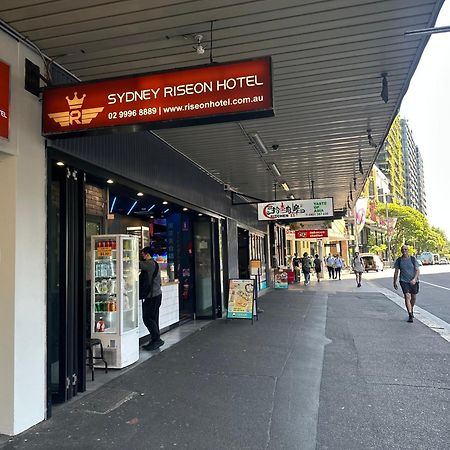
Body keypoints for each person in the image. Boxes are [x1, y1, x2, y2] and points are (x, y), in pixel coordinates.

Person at [139, 247, 164, 350]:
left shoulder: (149, 264)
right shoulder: (154, 263)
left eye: (142, 254)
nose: (142, 256)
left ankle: (157, 339)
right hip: (156, 295)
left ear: (147, 254)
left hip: (152, 296)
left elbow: (135, 264)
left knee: (147, 318)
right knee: (153, 318)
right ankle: (155, 340)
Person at [393, 245, 420, 323]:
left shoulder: (412, 259)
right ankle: (410, 314)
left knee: (413, 297)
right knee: (407, 296)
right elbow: (396, 272)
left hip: (414, 281)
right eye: (402, 249)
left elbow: (417, 270)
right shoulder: (399, 260)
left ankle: (411, 309)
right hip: (403, 281)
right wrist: (394, 282)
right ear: (401, 251)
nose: (404, 251)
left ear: (408, 250)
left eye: (405, 249)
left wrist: (415, 279)